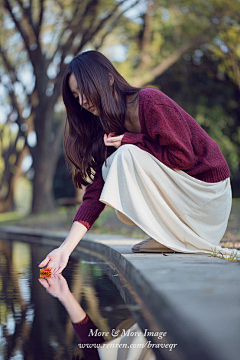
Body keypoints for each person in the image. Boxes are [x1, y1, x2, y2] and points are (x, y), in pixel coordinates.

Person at [39, 50, 238, 274]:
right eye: (76, 96)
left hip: (207, 196)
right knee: (111, 165)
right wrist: (65, 249)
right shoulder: (107, 128)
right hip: (184, 203)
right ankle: (178, 237)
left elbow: (183, 158)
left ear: (109, 78)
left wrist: (131, 140)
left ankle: (186, 236)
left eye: (84, 91)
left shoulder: (150, 102)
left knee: (124, 156)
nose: (82, 101)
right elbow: (96, 193)